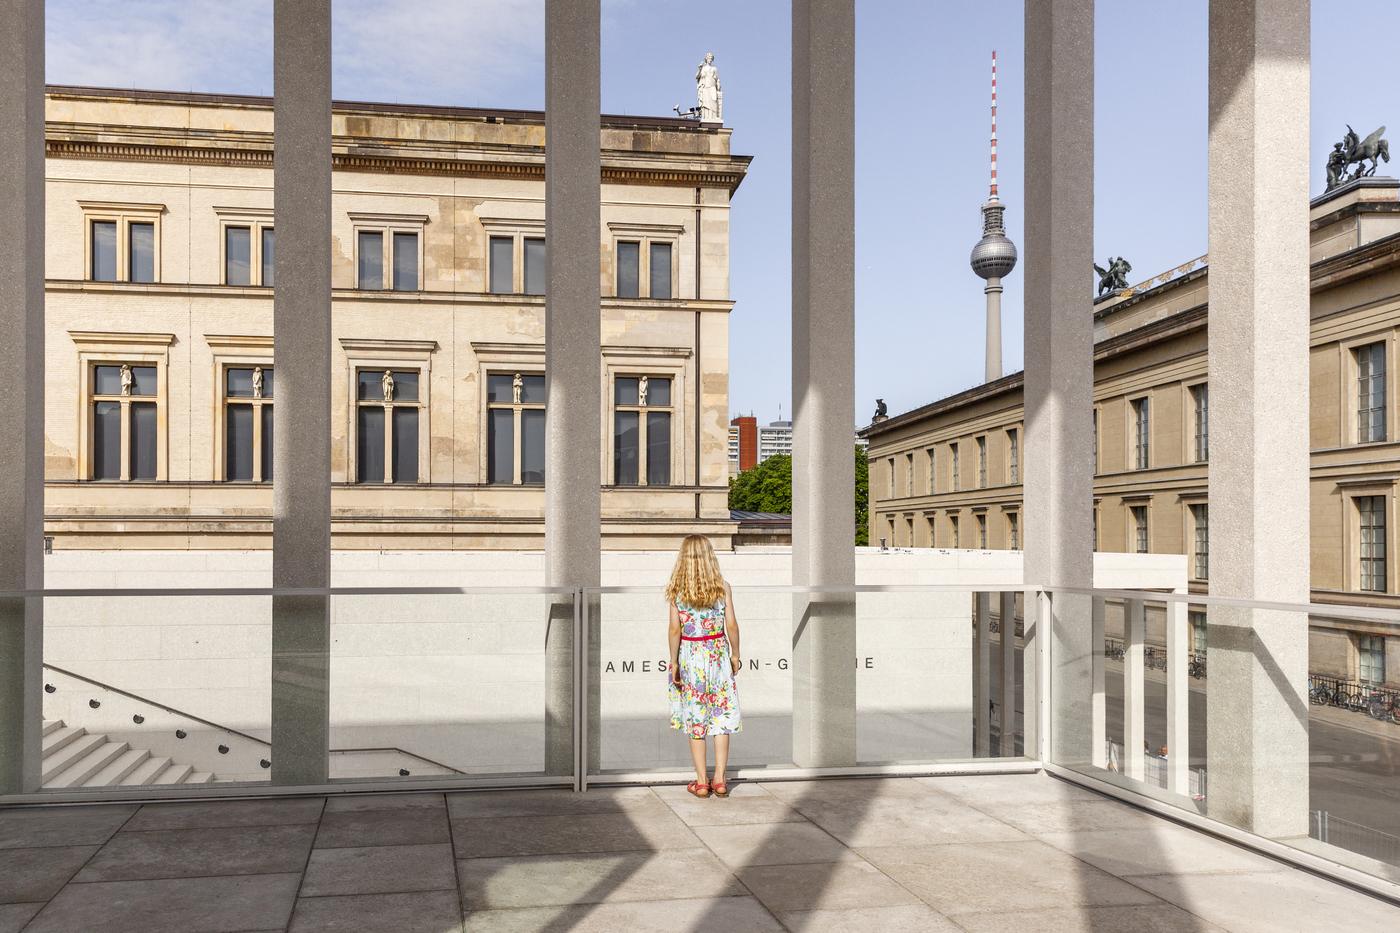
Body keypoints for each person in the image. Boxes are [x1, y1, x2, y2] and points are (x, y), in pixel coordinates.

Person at [666, 534, 742, 798]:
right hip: (717, 652)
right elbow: (731, 624)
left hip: (690, 654)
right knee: (720, 715)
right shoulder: (722, 587)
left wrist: (674, 661)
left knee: (696, 715)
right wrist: (735, 654)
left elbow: (675, 629)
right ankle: (720, 779)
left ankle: (701, 782)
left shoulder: (677, 589)